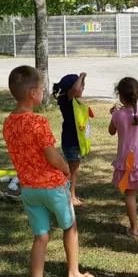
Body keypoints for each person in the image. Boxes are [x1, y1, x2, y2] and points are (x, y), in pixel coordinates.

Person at [3, 65, 96, 277]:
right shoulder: (38, 122)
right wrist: (66, 169)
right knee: (70, 226)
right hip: (53, 187)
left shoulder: (9, 122)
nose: (44, 92)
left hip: (29, 190)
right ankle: (74, 275)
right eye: (42, 88)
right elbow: (52, 155)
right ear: (33, 93)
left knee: (40, 238)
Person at [108, 77, 138, 236]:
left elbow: (112, 131)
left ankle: (133, 228)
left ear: (120, 95)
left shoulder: (117, 115)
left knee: (130, 195)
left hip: (125, 162)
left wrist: (114, 114)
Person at [53, 73, 89, 207]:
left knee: (74, 169)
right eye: (81, 86)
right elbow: (74, 90)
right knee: (72, 170)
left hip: (75, 140)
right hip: (71, 140)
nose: (82, 88)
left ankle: (69, 193)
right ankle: (70, 197)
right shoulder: (65, 99)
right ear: (71, 88)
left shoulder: (72, 100)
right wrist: (81, 77)